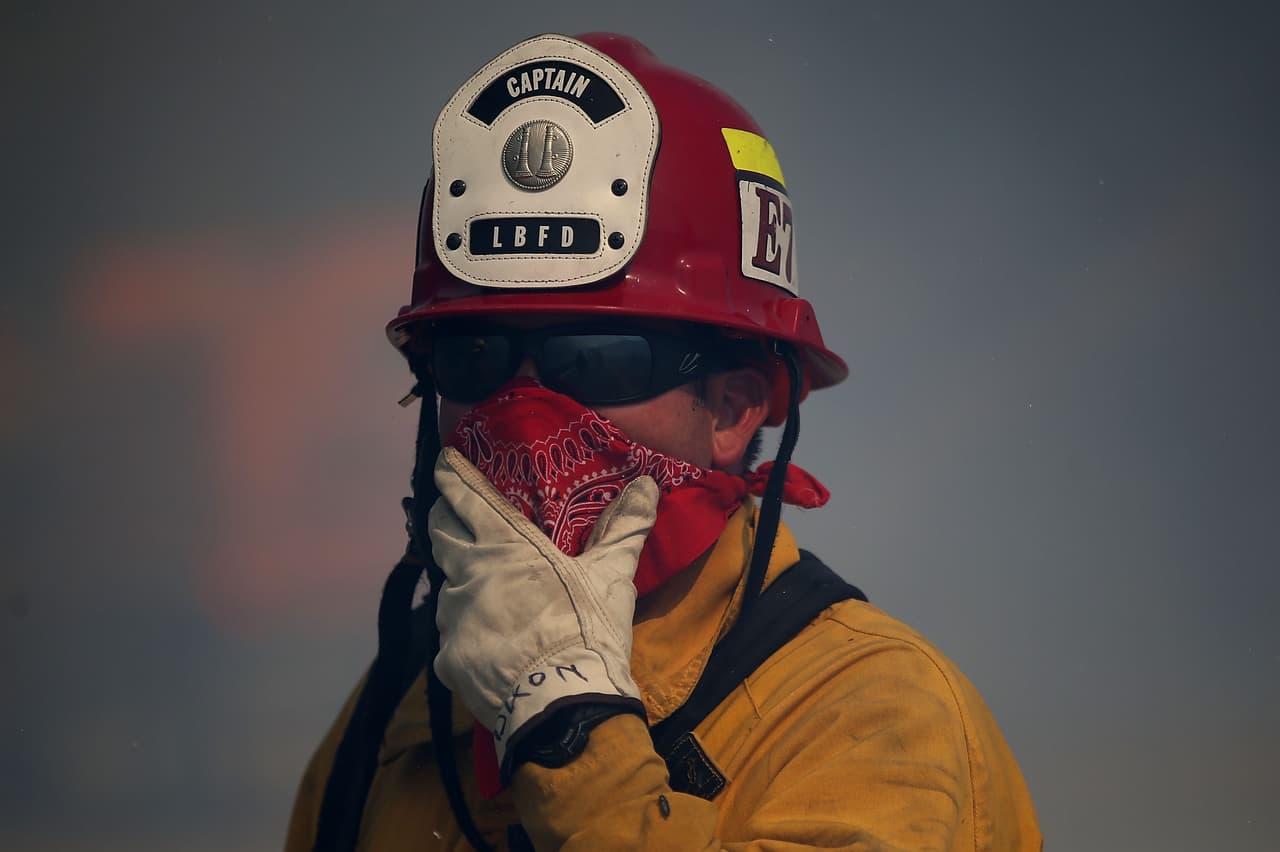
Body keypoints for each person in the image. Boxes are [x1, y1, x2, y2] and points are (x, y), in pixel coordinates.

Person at [286, 32, 1041, 851]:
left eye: (596, 361)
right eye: (478, 355)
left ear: (733, 408)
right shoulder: (397, 714)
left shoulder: (874, 714)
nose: (523, 409)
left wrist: (566, 726)